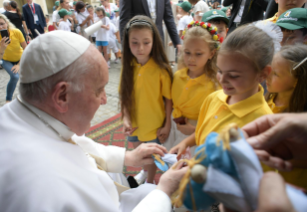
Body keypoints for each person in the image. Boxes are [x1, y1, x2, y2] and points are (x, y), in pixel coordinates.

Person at [0, 30, 188, 212]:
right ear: (62, 96)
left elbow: (70, 143)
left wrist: (128, 158)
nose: (105, 100)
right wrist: (164, 192)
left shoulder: (28, 115)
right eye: (99, 90)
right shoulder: (47, 187)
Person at [169, 22, 275, 163]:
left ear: (262, 74)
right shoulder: (213, 98)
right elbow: (202, 132)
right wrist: (185, 143)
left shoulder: (263, 125)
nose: (223, 80)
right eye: (220, 71)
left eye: (234, 75)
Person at [119, 16, 173, 185]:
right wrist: (125, 118)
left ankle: (150, 182)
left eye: (146, 42)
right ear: (127, 43)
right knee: (140, 153)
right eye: (134, 42)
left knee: (152, 157)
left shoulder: (161, 69)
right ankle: (143, 173)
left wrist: (167, 125)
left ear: (154, 42)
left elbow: (169, 100)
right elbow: (125, 96)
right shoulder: (127, 67)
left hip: (154, 125)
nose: (140, 48)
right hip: (134, 124)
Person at [266, 44, 307, 192]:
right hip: (263, 181)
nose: (267, 75)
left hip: (290, 188)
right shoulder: (268, 97)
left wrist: (282, 158)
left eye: (275, 74)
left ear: (297, 80)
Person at [164, 21, 221, 154]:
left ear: (211, 54)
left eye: (198, 54)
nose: (191, 59)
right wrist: (167, 124)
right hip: (175, 126)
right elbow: (171, 102)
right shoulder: (178, 76)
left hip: (196, 132)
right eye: (187, 52)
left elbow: (217, 119)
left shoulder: (215, 84)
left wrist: (195, 130)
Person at [0, 14, 27, 103]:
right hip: (6, 60)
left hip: (20, 57)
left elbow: (26, 48)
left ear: (7, 23)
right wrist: (1, 48)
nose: (1, 27)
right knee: (15, 77)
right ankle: (8, 99)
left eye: (2, 24)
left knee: (29, 76)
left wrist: (19, 64)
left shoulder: (16, 32)